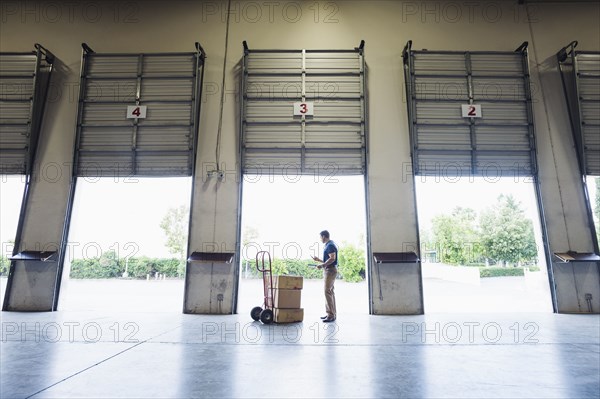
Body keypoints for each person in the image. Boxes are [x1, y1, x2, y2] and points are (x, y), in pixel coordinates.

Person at [312, 230, 338, 322]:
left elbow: (332, 259)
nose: (320, 239)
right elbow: (328, 259)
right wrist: (319, 260)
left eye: (320, 237)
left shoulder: (330, 245)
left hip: (330, 270)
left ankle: (330, 315)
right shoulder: (329, 244)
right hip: (329, 269)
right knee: (330, 292)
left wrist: (322, 265)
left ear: (323, 236)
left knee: (327, 291)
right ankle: (331, 314)